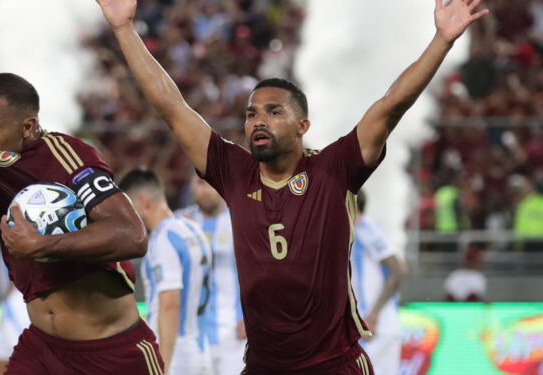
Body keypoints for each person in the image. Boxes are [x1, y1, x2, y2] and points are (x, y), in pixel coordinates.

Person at [97, 0, 488, 372]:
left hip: (334, 365)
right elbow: (172, 107)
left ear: (303, 126)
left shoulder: (333, 169)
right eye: (251, 113)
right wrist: (125, 29)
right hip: (264, 366)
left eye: (273, 111)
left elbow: (390, 106)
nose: (258, 120)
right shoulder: (234, 171)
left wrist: (441, 41)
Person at [0, 73, 163, 374]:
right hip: (42, 351)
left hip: (112, 351)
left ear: (27, 127)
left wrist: (42, 245)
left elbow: (132, 235)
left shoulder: (69, 156)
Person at [120, 169, 213, 375]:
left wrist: (162, 365)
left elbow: (170, 304)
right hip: (200, 348)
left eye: (130, 208)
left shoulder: (162, 239)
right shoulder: (192, 228)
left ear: (145, 202)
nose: (129, 218)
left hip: (175, 354)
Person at [178, 175, 245, 375]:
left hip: (234, 332)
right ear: (191, 185)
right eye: (200, 183)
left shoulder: (240, 221)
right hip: (194, 336)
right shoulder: (181, 223)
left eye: (211, 183)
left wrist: (251, 317)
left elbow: (262, 274)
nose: (206, 190)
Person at [351, 193, 408, 375]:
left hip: (378, 328)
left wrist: (374, 314)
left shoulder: (366, 229)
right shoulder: (353, 232)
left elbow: (398, 270)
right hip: (365, 328)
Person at [0, 251, 30, 375]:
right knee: (6, 362)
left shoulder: (16, 242)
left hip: (18, 305)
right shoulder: (3, 249)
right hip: (13, 307)